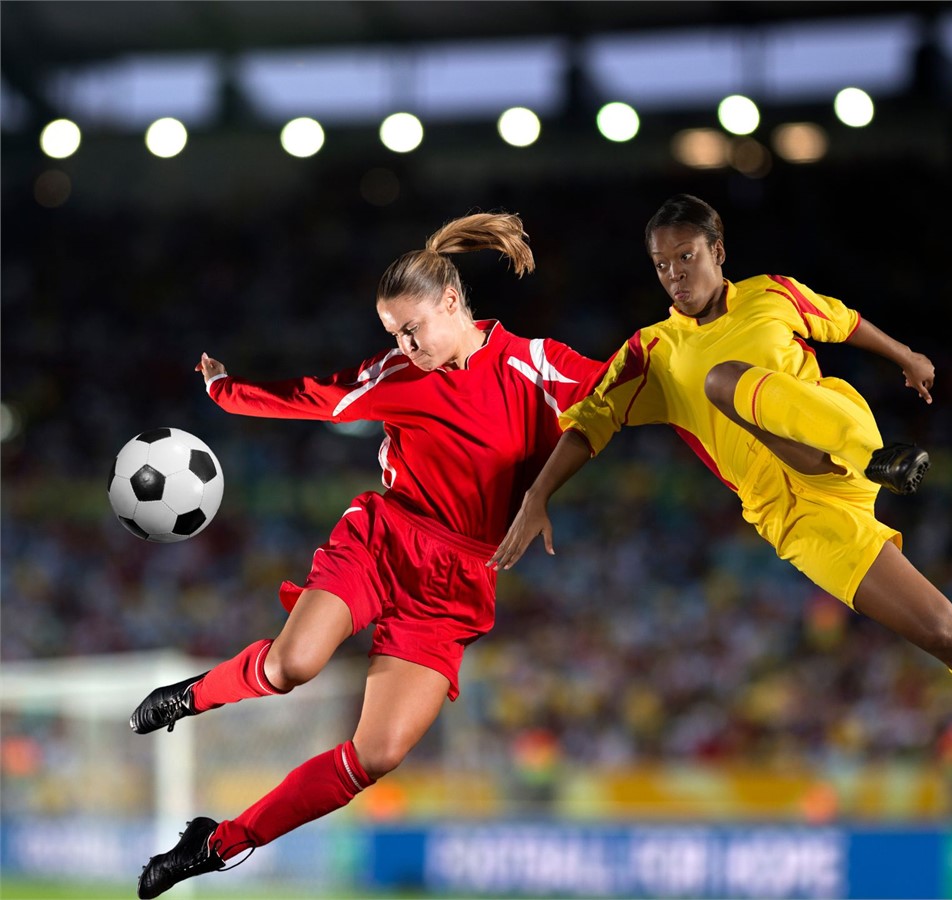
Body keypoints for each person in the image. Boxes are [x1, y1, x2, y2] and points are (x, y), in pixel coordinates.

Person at [489, 193, 952, 783]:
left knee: (723, 380)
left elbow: (843, 320)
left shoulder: (771, 296)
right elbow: (589, 424)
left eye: (686, 258)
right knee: (946, 634)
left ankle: (881, 458)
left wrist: (906, 356)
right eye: (661, 264)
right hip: (801, 522)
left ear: (718, 249)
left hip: (845, 437)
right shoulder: (652, 353)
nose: (674, 275)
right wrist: (538, 494)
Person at [129, 212, 608, 899]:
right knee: (293, 664)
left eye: (412, 328)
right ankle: (190, 696)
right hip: (387, 539)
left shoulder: (538, 365)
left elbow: (621, 394)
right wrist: (224, 390)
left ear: (452, 302)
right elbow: (316, 400)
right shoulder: (396, 374)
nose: (405, 345)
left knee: (377, 754)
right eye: (394, 334)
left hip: (461, 579)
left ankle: (215, 843)